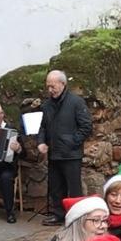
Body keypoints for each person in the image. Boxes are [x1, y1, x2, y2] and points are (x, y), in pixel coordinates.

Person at [37, 70, 93, 226]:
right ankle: (59, 215)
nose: (50, 90)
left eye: (53, 86)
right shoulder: (47, 105)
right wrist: (41, 142)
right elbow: (42, 127)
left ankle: (77, 218)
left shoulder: (76, 102)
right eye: (48, 87)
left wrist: (72, 142)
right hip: (54, 154)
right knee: (56, 188)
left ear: (63, 84)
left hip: (71, 155)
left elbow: (86, 126)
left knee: (74, 189)